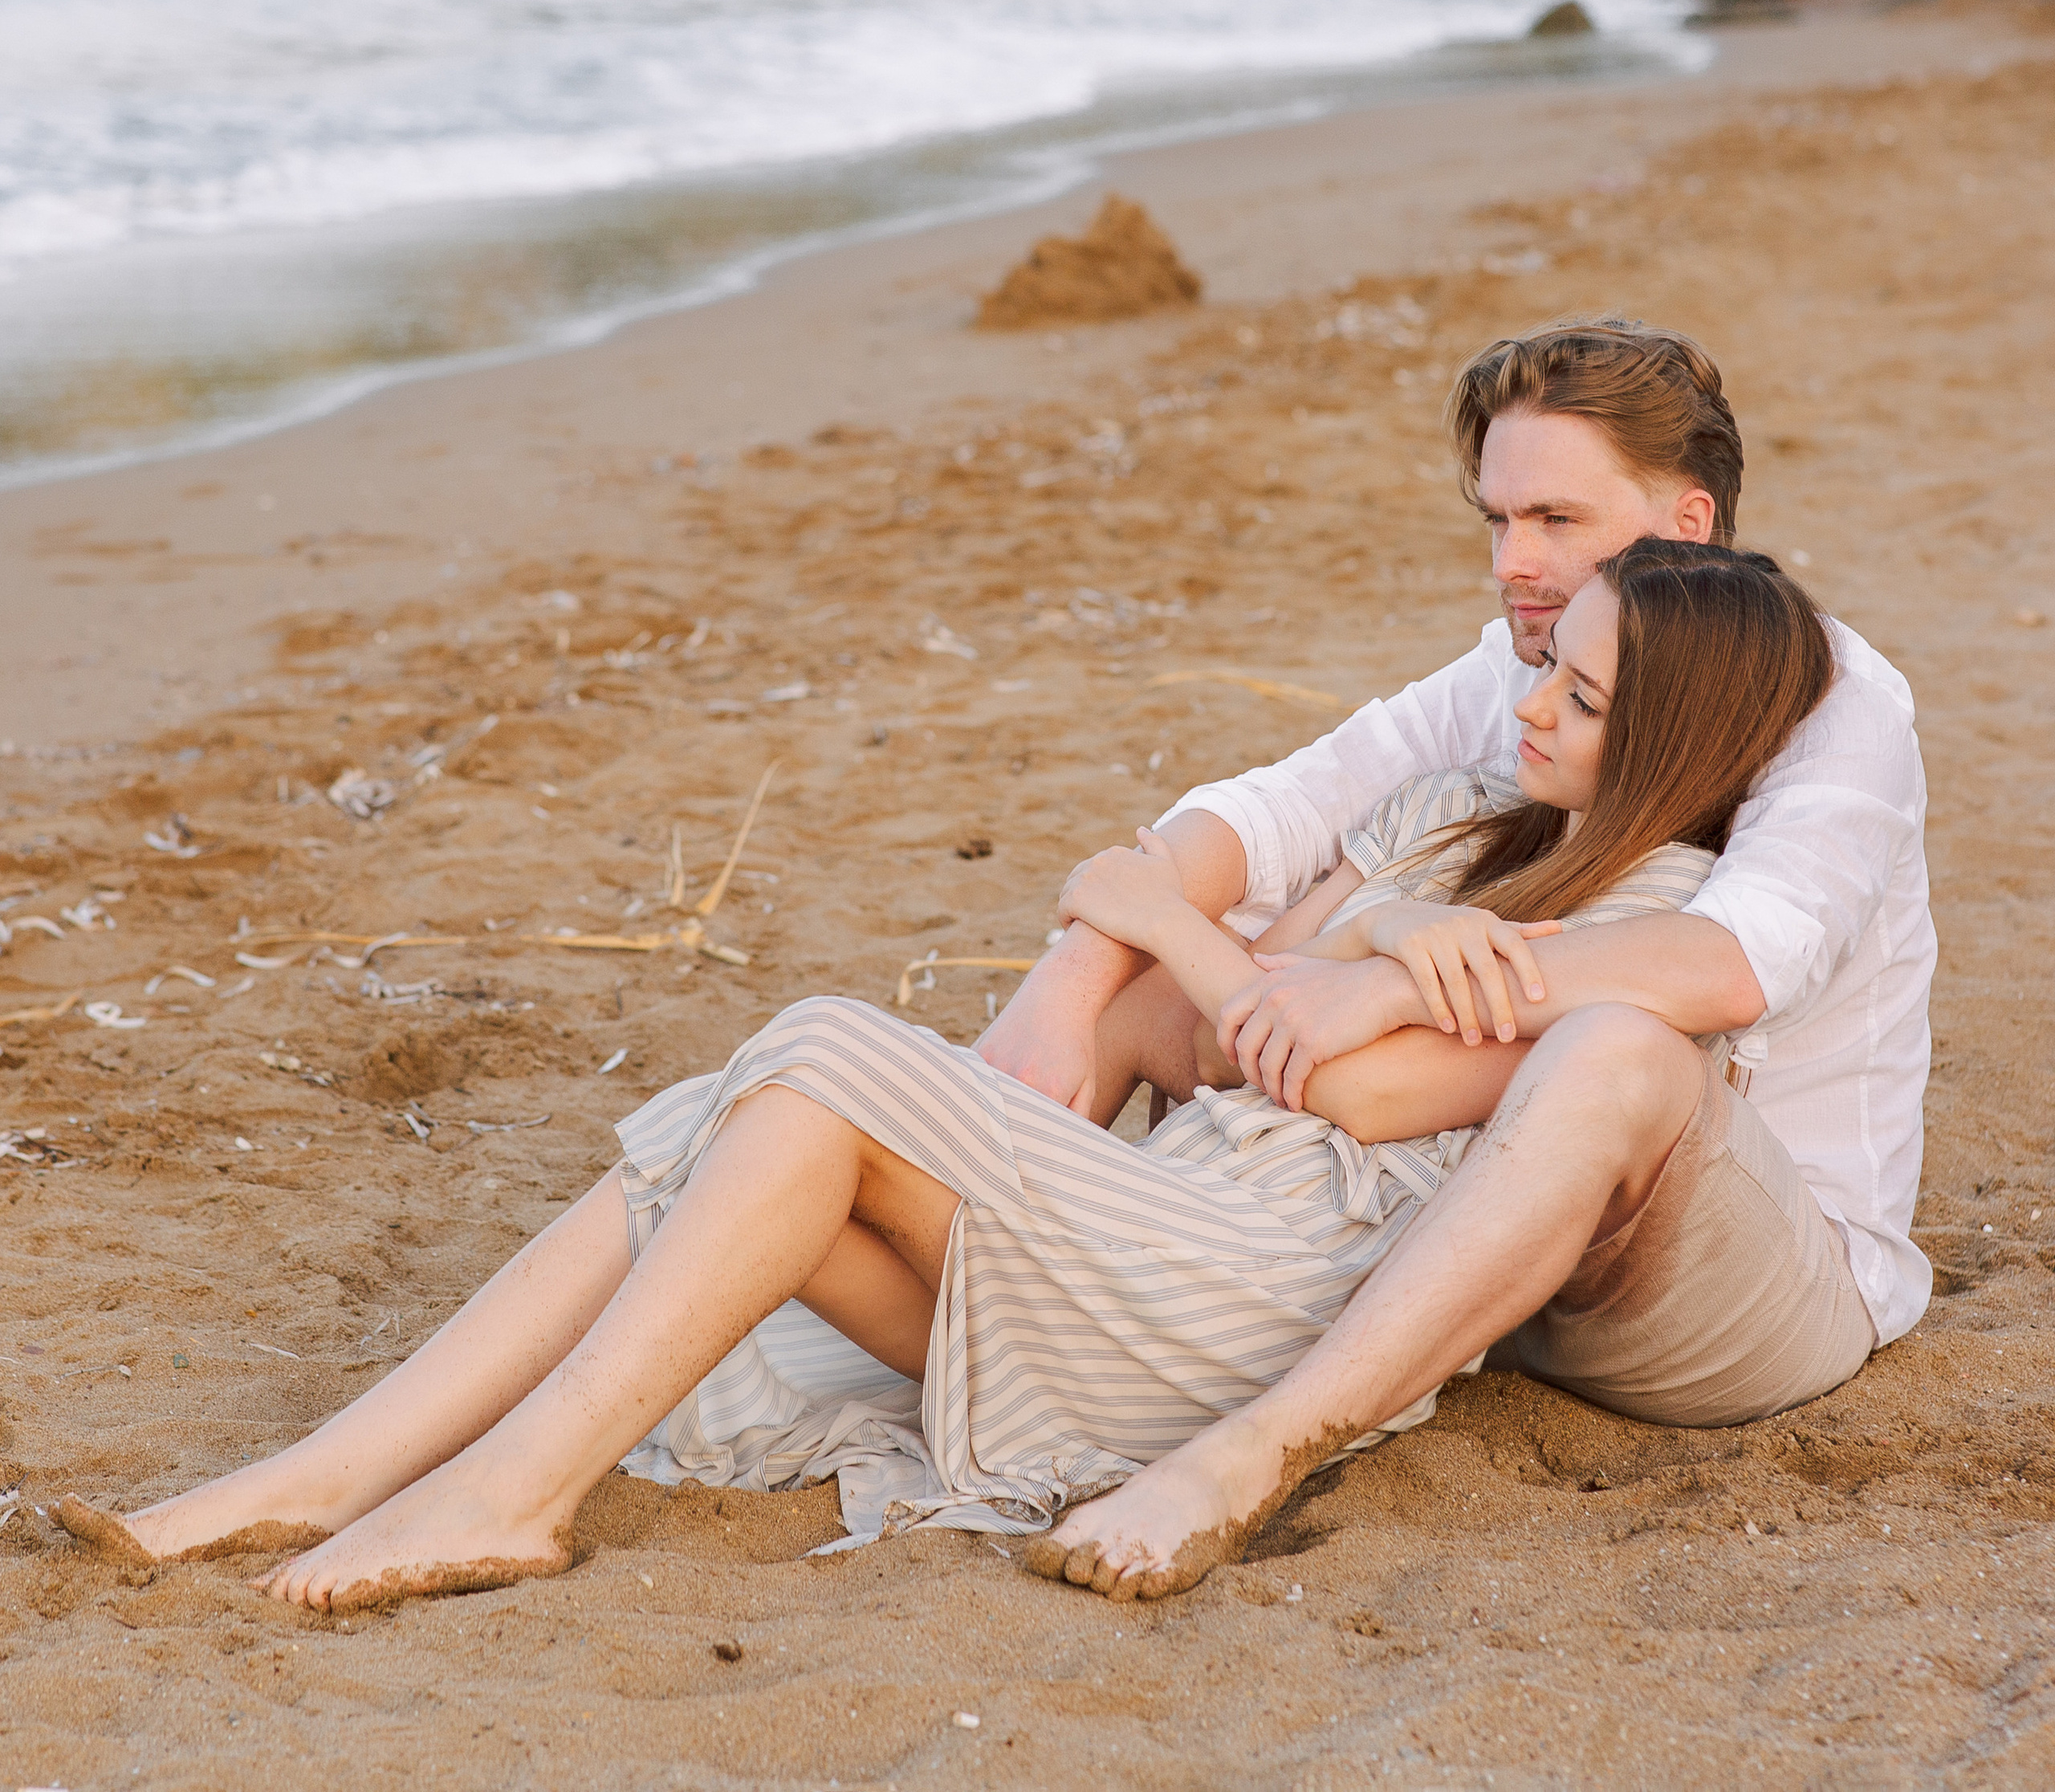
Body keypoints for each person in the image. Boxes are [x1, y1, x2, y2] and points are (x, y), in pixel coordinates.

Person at [57, 539, 1832, 1614]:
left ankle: (495, 1486)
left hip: (1254, 1293)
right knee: (764, 1117)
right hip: (1150, 1233)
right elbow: (1185, 964)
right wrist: (1322, 963)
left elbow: (1339, 1085)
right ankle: (327, 1469)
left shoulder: (1650, 924)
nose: (1532, 702)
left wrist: (1267, 958)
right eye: (1546, 663)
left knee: (826, 1044)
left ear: (1675, 737)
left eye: (1586, 700)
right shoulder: (1466, 825)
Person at [991, 316, 1933, 1596]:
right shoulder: (1536, 658)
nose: (1513, 563)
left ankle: (1250, 1456)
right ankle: (980, 1292)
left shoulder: (1834, 703)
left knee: (1617, 1045)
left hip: (1742, 1274)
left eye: (1554, 519)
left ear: (1689, 529)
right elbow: (1283, 807)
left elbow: (1735, 964)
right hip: (1503, 1242)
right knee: (1164, 981)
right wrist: (1076, 980)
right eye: (1496, 520)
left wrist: (1383, 976)